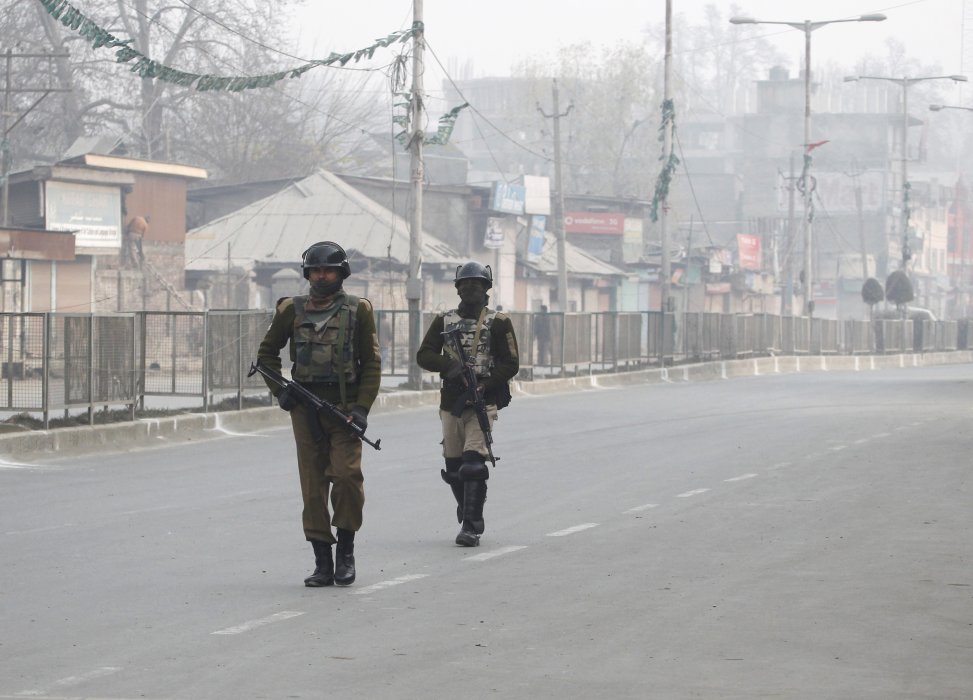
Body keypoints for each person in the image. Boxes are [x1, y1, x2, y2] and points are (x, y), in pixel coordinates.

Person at [256, 241, 381, 587]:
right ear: (307, 274)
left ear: (342, 274)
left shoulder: (359, 310)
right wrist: (281, 392)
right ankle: (322, 562)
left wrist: (361, 409)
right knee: (312, 489)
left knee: (346, 478)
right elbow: (265, 357)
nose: (322, 276)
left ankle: (346, 553)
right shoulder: (291, 310)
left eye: (328, 270)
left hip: (344, 412)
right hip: (305, 410)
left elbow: (371, 364)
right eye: (315, 271)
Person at [416, 261, 519, 547]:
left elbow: (511, 362)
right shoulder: (444, 321)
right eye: (465, 283)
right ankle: (466, 505)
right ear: (457, 288)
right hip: (452, 401)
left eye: (477, 283)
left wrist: (486, 384)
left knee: (473, 463)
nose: (471, 288)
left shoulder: (499, 322)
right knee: (454, 467)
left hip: (483, 400)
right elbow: (424, 355)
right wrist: (449, 367)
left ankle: (472, 525)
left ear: (487, 288)